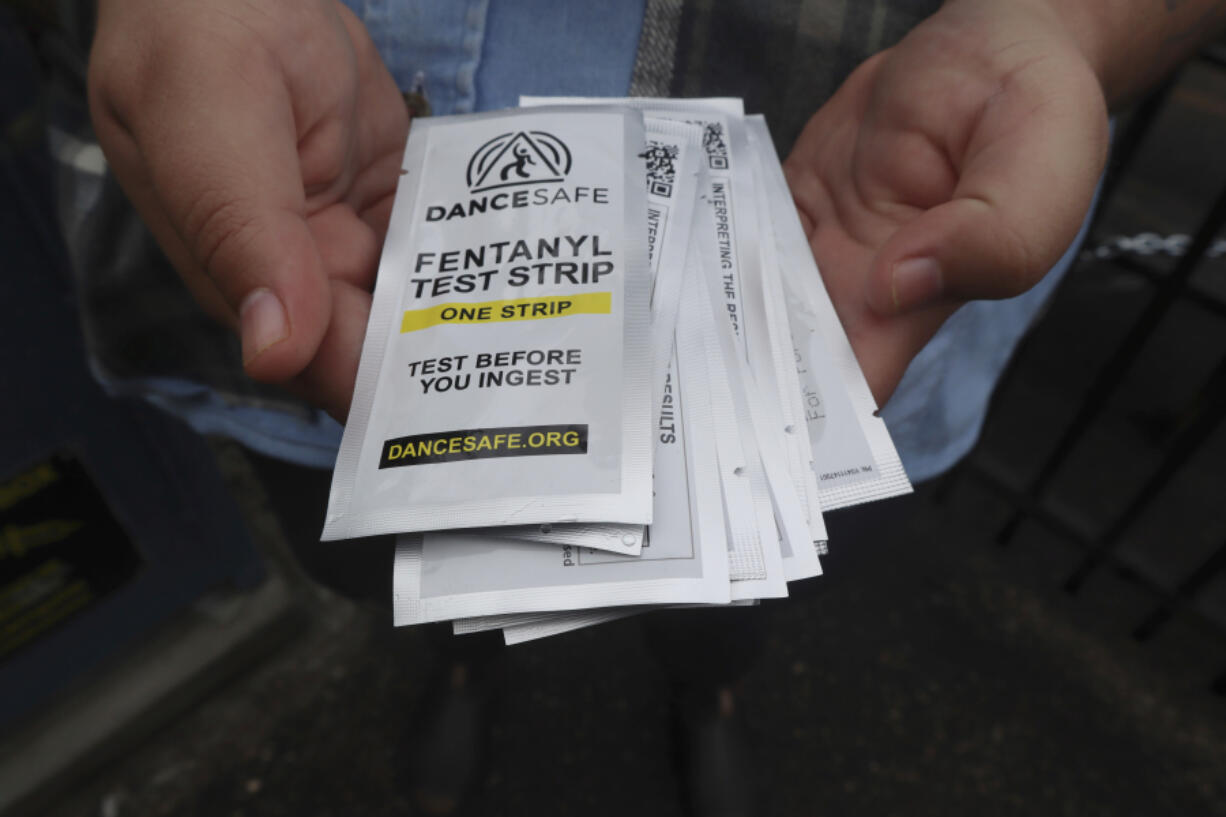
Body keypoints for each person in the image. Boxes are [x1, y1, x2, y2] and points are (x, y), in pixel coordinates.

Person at [83, 0, 1226, 813]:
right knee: (414, 575)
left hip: (845, 309)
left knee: (733, 585)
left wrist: (1070, 23)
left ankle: (709, 690)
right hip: (336, 272)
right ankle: (471, 661)